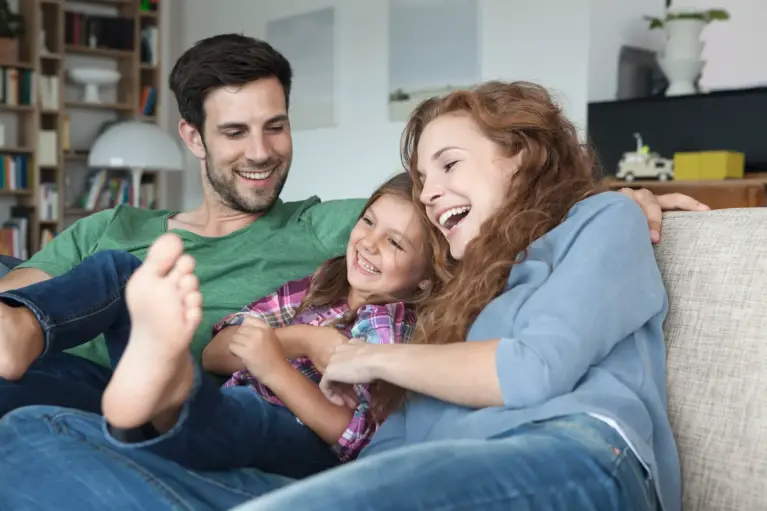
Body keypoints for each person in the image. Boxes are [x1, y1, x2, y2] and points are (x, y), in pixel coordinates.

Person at [0, 80, 680, 511]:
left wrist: (359, 357)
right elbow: (385, 442)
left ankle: (164, 394)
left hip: (568, 454)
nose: (432, 189)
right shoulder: (454, 284)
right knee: (30, 435)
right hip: (396, 471)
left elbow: (529, 369)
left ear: (524, 155)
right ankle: (162, 390)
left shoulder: (600, 221)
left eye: (448, 164)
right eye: (421, 175)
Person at [0, 33, 706, 419]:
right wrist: (22, 315)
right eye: (237, 131)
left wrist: (604, 196)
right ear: (192, 137)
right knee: (99, 285)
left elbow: (449, 209)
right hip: (68, 377)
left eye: (275, 126)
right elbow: (24, 287)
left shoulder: (323, 228)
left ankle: (152, 381)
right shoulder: (115, 222)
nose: (261, 151)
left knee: (127, 278)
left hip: (191, 402)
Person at [0, 173, 439, 478]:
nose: (369, 243)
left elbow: (356, 438)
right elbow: (217, 350)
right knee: (119, 269)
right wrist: (303, 338)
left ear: (426, 276)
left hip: (292, 440)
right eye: (367, 221)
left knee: (242, 414)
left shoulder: (392, 325)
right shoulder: (319, 283)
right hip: (225, 399)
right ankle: (27, 327)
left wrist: (274, 368)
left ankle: (159, 404)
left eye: (396, 243)